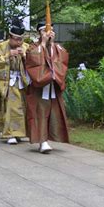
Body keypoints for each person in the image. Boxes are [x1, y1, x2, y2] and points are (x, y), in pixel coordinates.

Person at [25, 21, 70, 153]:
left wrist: (51, 45)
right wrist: (43, 44)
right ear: (39, 33)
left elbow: (63, 59)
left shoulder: (57, 48)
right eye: (45, 31)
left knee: (54, 113)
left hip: (53, 86)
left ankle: (50, 138)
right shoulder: (33, 47)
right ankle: (42, 141)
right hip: (40, 87)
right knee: (40, 113)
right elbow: (33, 61)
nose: (48, 34)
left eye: (50, 31)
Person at [0, 19, 30, 144]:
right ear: (10, 37)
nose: (18, 42)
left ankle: (20, 133)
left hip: (22, 80)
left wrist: (24, 57)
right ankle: (10, 133)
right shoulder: (2, 46)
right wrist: (7, 56)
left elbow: (33, 63)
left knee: (22, 107)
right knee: (11, 107)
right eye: (16, 39)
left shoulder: (26, 47)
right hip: (8, 80)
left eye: (20, 39)